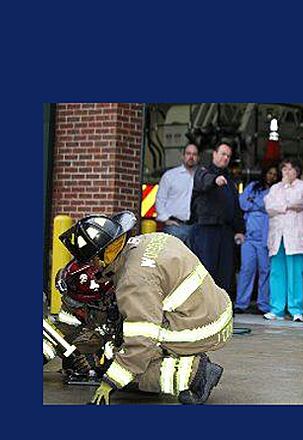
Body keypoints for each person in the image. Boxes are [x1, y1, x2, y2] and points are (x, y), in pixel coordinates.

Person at [58, 211, 232, 405]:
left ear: (101, 257)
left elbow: (141, 341)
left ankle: (195, 374)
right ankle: (180, 355)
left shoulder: (133, 281)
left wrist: (111, 380)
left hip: (201, 329)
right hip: (215, 309)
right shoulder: (149, 240)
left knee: (129, 366)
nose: (93, 266)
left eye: (91, 261)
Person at [190, 143, 246, 295]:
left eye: (228, 156)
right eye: (223, 154)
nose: (225, 158)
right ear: (214, 154)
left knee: (225, 272)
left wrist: (240, 230)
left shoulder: (230, 180)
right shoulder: (203, 172)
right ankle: (204, 309)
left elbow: (235, 207)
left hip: (226, 232)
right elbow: (204, 181)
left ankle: (222, 308)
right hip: (207, 230)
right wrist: (215, 180)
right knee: (207, 271)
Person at [263, 158, 303, 322]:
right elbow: (269, 206)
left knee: (296, 273)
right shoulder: (275, 188)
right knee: (277, 273)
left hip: (296, 238)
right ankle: (276, 309)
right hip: (278, 236)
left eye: (291, 169)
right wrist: (286, 205)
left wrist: (282, 204)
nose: (287, 172)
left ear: (297, 171)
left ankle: (296, 309)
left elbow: (298, 201)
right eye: (284, 169)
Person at [235, 164, 279, 314]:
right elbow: (242, 203)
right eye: (269, 172)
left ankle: (263, 304)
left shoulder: (276, 190)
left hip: (266, 237)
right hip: (249, 236)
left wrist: (254, 203)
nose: (271, 176)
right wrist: (259, 205)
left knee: (265, 271)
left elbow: (269, 207)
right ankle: (241, 303)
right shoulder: (253, 185)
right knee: (246, 270)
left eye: (274, 174)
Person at [155, 143, 199, 245]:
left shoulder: (201, 177)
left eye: (194, 154)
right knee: (171, 259)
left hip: (195, 228)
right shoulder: (170, 176)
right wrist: (165, 219)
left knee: (193, 260)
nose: (191, 157)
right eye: (188, 153)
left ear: (198, 158)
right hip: (175, 227)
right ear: (182, 156)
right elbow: (160, 199)